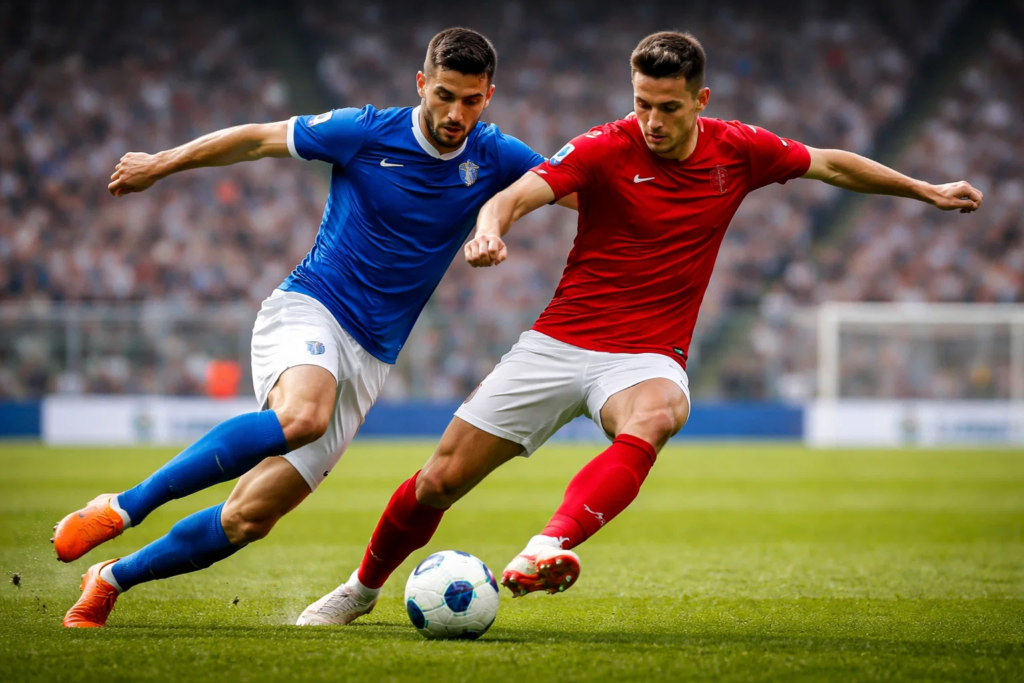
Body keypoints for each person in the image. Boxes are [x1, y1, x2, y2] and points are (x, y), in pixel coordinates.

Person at [300, 30, 984, 624]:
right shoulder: (603, 147)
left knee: (657, 414)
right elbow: (515, 193)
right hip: (560, 340)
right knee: (438, 480)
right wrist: (487, 231)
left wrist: (924, 190)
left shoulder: (740, 150)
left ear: (701, 101)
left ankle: (547, 544)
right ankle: (361, 588)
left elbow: (830, 162)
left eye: (667, 107)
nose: (650, 121)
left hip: (647, 352)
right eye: (640, 103)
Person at [56, 27, 575, 628]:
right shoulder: (365, 130)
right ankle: (122, 506)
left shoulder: (497, 154)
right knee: (303, 415)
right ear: (420, 85)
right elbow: (257, 140)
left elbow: (576, 188)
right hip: (312, 306)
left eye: (470, 100)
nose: (455, 114)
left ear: (489, 94)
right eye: (443, 96)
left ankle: (112, 579)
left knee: (248, 518)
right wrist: (160, 163)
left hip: (372, 354)